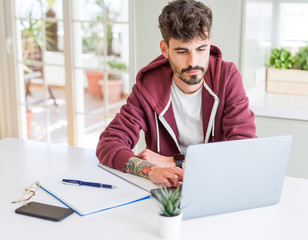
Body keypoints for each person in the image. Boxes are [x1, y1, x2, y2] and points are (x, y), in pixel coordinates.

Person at [96, 0, 256, 188]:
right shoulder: (148, 86)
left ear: (209, 43)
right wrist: (150, 169)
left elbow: (244, 150)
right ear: (165, 49)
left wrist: (172, 162)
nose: (193, 62)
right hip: (166, 190)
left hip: (217, 184)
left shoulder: (227, 77)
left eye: (201, 49)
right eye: (182, 51)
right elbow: (109, 143)